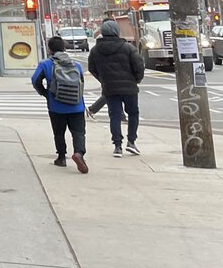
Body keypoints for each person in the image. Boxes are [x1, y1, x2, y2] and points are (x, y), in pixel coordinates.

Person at [87, 19, 145, 157]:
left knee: (114, 116)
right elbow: (139, 66)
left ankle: (117, 146)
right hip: (129, 87)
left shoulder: (95, 50)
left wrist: (103, 80)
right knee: (133, 113)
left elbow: (92, 68)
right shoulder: (128, 48)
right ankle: (131, 142)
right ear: (116, 31)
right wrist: (136, 79)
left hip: (109, 88)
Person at [32, 36, 89, 173]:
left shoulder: (46, 64)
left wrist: (45, 93)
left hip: (56, 106)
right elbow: (81, 83)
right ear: (64, 47)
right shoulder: (76, 65)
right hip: (76, 105)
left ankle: (61, 158)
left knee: (59, 132)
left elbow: (35, 80)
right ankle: (79, 153)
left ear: (49, 49)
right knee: (78, 132)